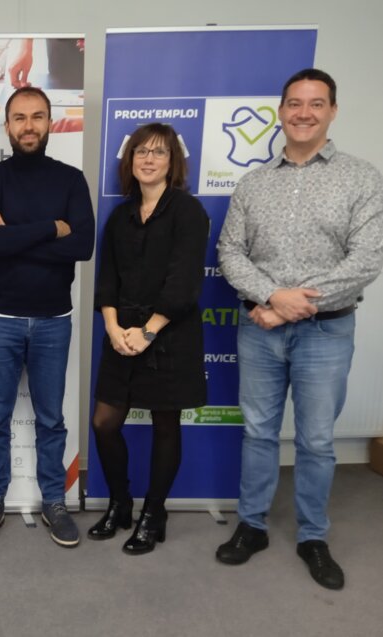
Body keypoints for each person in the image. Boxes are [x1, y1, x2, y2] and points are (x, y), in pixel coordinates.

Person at [216, 69, 383, 590]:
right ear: (281, 111)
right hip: (259, 328)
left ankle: (313, 536)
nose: (303, 113)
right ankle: (253, 525)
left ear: (333, 110)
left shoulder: (362, 178)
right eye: (294, 103)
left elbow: (366, 259)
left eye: (316, 103)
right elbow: (229, 252)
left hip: (326, 333)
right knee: (259, 432)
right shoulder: (254, 182)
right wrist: (270, 297)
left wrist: (288, 306)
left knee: (315, 440)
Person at [0, 86, 95, 548]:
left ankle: (54, 501)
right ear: (7, 125)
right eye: (19, 118)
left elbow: (81, 247)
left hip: (52, 319)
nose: (28, 126)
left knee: (51, 418)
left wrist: (14, 234)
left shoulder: (70, 179)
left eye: (37, 116)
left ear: (50, 123)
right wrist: (50, 229)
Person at [90, 123, 209, 554]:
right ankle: (121, 505)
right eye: (141, 151)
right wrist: (112, 326)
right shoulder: (120, 215)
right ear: (130, 159)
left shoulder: (187, 211)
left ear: (172, 161)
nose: (148, 159)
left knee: (165, 425)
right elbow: (107, 280)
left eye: (159, 152)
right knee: (104, 423)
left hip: (169, 335)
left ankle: (153, 514)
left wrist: (148, 331)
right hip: (121, 332)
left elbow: (183, 283)